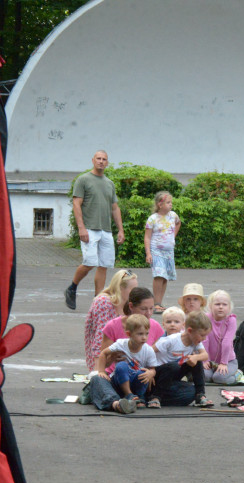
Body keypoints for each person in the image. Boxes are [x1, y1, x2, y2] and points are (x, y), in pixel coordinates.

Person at [64, 150, 124, 309]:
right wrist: (81, 227)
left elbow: (115, 207)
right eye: (98, 158)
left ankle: (98, 300)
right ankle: (72, 287)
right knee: (90, 262)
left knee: (104, 264)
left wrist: (120, 230)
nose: (101, 161)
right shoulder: (83, 180)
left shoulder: (109, 183)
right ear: (93, 160)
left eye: (104, 159)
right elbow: (76, 204)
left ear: (107, 163)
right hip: (89, 228)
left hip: (106, 230)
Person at [93, 313, 158, 410]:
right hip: (120, 380)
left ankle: (139, 397)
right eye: (140, 334)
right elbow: (103, 353)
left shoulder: (148, 350)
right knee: (119, 366)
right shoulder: (121, 344)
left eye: (146, 333)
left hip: (136, 380)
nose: (144, 337)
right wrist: (101, 371)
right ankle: (128, 395)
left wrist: (151, 373)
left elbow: (153, 369)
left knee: (143, 372)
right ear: (129, 334)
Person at [152, 310, 213, 408]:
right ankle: (155, 396)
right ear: (189, 331)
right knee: (173, 366)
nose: (204, 338)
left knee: (196, 361)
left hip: (173, 375)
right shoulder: (171, 340)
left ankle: (200, 394)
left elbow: (205, 355)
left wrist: (195, 357)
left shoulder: (195, 341)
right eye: (202, 335)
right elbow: (149, 352)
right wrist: (150, 371)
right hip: (160, 374)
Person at [84, 268, 137, 370]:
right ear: (121, 288)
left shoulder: (128, 304)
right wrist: (98, 371)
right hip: (103, 358)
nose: (136, 293)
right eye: (133, 290)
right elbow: (99, 339)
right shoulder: (104, 302)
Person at [144, 191, 181, 313]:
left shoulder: (173, 216)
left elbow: (178, 223)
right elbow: (147, 237)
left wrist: (173, 236)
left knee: (165, 277)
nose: (171, 205)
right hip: (156, 250)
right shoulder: (152, 219)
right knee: (159, 275)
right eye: (168, 202)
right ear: (160, 204)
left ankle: (159, 302)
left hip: (169, 252)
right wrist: (148, 253)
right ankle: (156, 303)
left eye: (171, 202)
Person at [204, 290, 241, 385]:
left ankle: (237, 375)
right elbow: (205, 340)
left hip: (228, 361)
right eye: (217, 304)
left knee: (219, 378)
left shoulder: (231, 320)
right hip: (210, 361)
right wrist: (205, 360)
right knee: (205, 377)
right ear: (210, 306)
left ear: (229, 307)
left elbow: (227, 342)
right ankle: (212, 372)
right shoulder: (206, 318)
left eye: (224, 304)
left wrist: (224, 363)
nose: (221, 307)